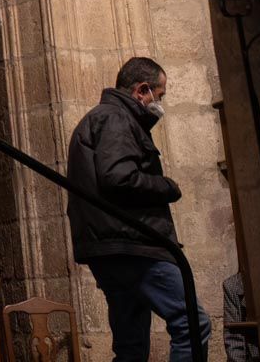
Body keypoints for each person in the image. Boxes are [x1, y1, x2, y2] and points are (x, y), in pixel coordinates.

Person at [67, 57, 211, 362]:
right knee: (193, 325)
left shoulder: (102, 118)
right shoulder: (117, 118)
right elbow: (118, 177)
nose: (160, 104)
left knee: (131, 346)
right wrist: (167, 187)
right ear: (142, 90)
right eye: (160, 96)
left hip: (112, 247)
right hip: (134, 247)